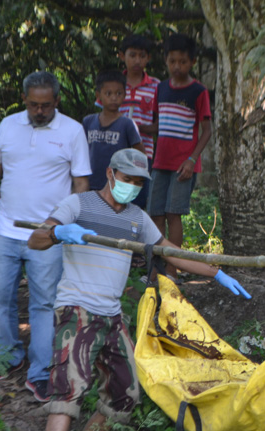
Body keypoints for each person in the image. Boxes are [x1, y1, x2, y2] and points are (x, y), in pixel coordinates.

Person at [29, 149, 250, 431]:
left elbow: (169, 252)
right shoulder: (78, 205)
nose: (131, 186)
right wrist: (58, 233)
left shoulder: (137, 218)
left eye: (137, 182)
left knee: (126, 392)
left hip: (112, 316)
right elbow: (36, 239)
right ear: (110, 174)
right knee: (68, 388)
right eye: (126, 179)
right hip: (77, 310)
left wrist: (216, 273)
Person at [0, 71, 91, 402]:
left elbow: (81, 183)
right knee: (0, 298)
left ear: (57, 101)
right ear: (24, 99)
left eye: (46, 105)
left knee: (43, 303)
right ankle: (11, 356)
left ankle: (40, 372)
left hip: (48, 235)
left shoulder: (71, 130)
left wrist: (70, 226)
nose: (39, 111)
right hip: (5, 232)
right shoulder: (8, 126)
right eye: (33, 105)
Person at [143, 33, 212, 279]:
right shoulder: (161, 88)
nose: (177, 67)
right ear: (166, 61)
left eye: (182, 62)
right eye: (172, 61)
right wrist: (135, 127)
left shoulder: (198, 91)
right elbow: (158, 125)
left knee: (174, 214)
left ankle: (171, 269)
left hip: (183, 164)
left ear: (192, 61)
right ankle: (155, 270)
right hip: (160, 162)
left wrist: (192, 161)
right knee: (155, 214)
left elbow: (207, 130)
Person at [117, 34, 160, 209]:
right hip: (116, 151)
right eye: (132, 55)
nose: (137, 60)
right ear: (122, 56)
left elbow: (160, 123)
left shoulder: (156, 86)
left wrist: (138, 129)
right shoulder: (115, 84)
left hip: (144, 153)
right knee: (115, 195)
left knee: (138, 198)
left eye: (142, 56)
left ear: (148, 58)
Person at [83, 69, 144, 192]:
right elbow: (79, 151)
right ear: (98, 95)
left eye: (118, 93)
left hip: (116, 185)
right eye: (108, 93)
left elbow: (140, 154)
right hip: (91, 183)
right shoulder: (88, 121)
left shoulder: (127, 124)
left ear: (124, 95)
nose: (114, 98)